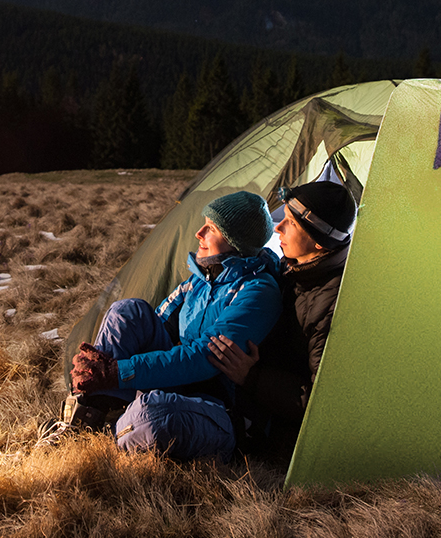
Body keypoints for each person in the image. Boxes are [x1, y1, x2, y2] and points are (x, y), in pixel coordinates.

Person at [43, 191, 282, 461]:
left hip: (223, 408)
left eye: (211, 228)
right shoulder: (200, 281)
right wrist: (100, 369)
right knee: (127, 311)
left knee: (154, 415)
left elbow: (205, 358)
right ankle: (84, 415)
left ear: (236, 243)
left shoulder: (257, 292)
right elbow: (156, 326)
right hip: (182, 386)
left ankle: (105, 438)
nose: (199, 233)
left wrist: (118, 372)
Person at [206, 180, 357, 458]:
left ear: (319, 240)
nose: (277, 228)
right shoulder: (294, 270)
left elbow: (320, 402)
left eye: (290, 223)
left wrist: (252, 377)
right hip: (251, 396)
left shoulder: (332, 304)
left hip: (274, 428)